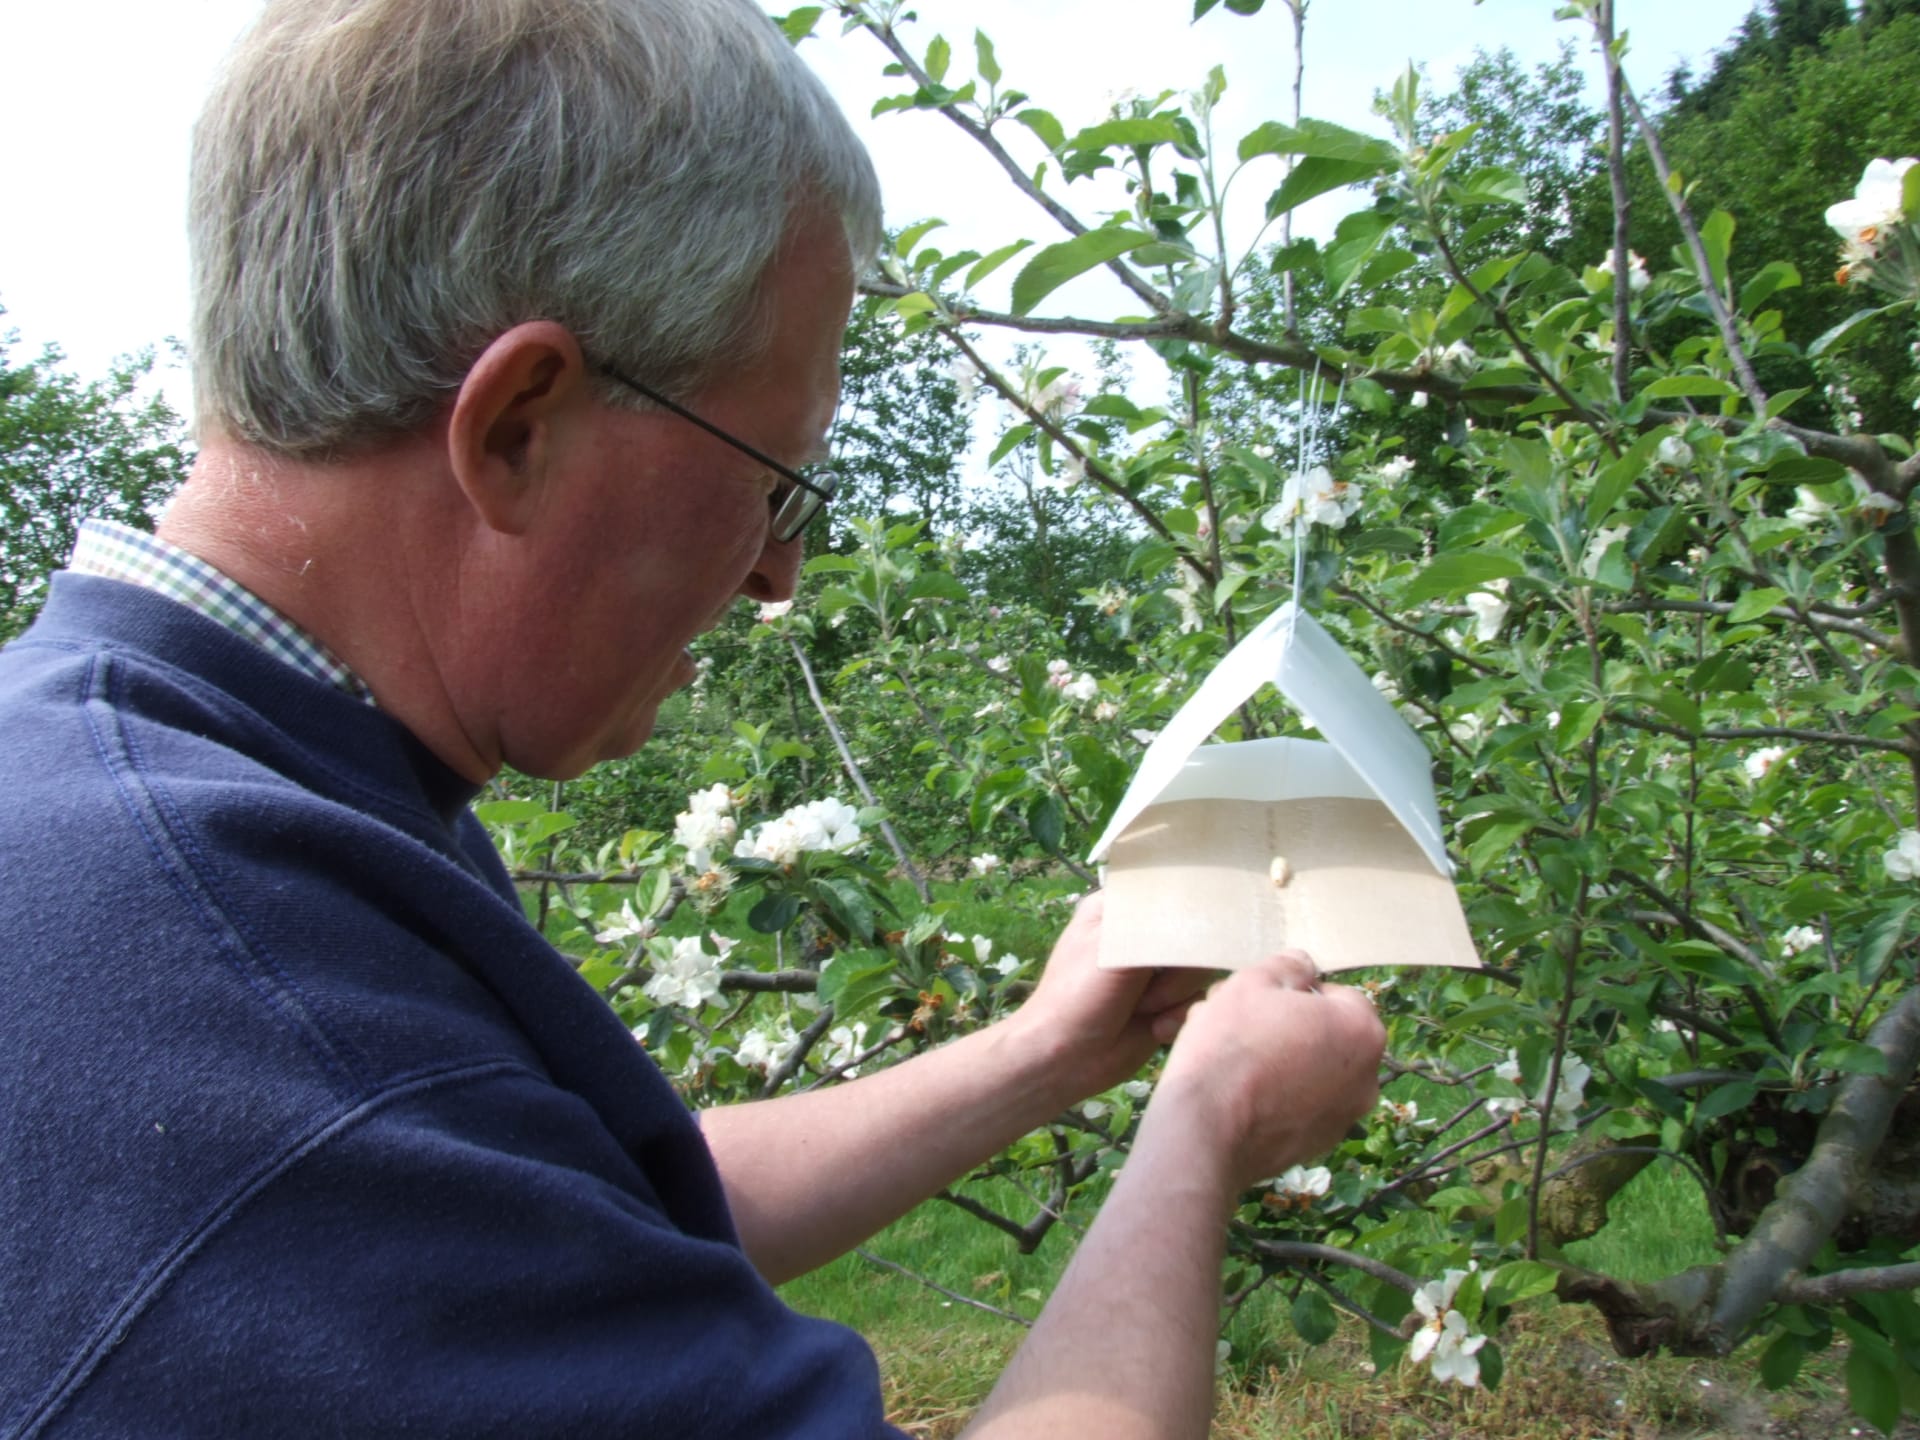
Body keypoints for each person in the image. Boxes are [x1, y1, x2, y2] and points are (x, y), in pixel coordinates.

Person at [0, 0, 1386, 1435]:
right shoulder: (243, 995)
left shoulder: (205, 785)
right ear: (518, 426)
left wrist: (1049, 1052)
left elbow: (548, 1209)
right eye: (773, 477)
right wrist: (1204, 1129)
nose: (781, 574)